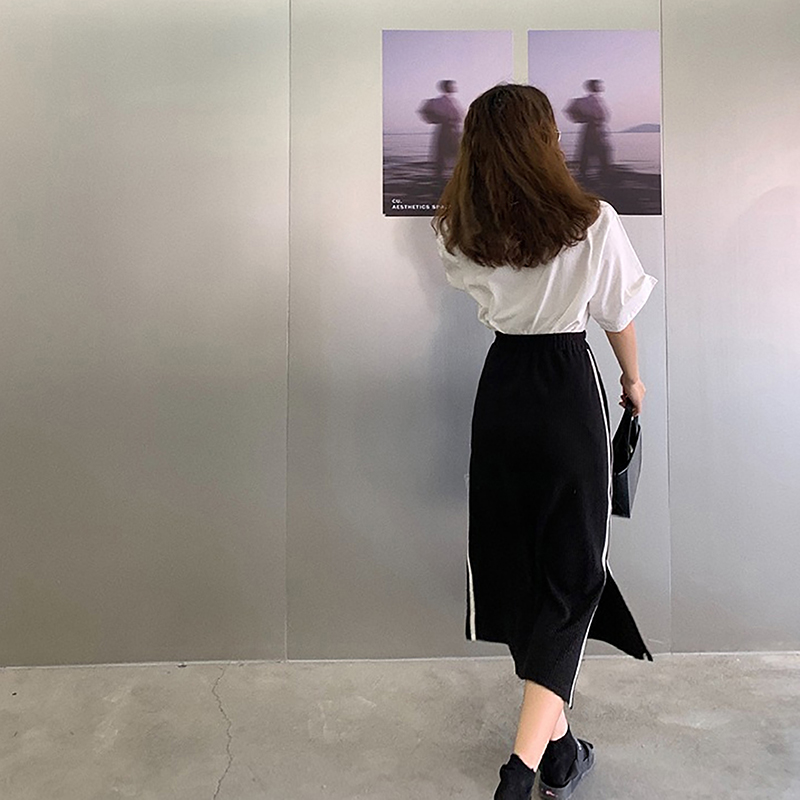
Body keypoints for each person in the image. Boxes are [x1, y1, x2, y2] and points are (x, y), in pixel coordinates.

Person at [431, 83, 657, 800]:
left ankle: (560, 751)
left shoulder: (461, 230)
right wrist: (633, 382)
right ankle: (520, 774)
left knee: (518, 567)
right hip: (566, 392)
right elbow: (617, 312)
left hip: (503, 393)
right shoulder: (593, 221)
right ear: (547, 140)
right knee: (571, 574)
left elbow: (477, 289)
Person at [417, 80, 465, 190]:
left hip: (455, 130)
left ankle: (454, 178)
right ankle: (439, 180)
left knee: (457, 154)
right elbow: (424, 110)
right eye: (451, 86)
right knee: (442, 155)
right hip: (445, 130)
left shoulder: (453, 101)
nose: (454, 87)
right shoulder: (439, 101)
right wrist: (439, 119)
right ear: (446, 87)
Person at [570, 79, 613, 182]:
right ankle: (585, 174)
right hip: (591, 128)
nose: (599, 87)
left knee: (602, 151)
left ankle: (603, 173)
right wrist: (583, 119)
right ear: (592, 87)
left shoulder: (598, 100)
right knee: (588, 151)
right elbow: (570, 110)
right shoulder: (585, 101)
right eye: (597, 85)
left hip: (599, 128)